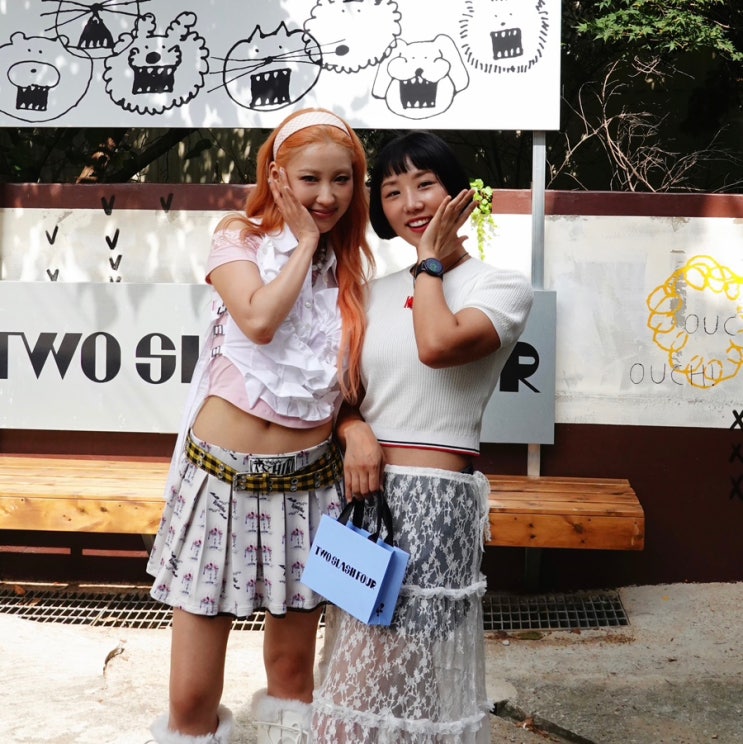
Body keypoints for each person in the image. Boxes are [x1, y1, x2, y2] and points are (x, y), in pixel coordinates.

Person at [146, 108, 374, 744]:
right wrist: (304, 244)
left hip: (310, 487)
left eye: (342, 179)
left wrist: (354, 425)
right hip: (220, 481)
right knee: (191, 702)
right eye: (310, 179)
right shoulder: (237, 238)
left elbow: (346, 384)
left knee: (294, 682)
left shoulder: (351, 268)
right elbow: (259, 320)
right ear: (277, 177)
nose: (326, 196)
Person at [312, 131, 534, 742]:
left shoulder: (501, 286)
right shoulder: (367, 293)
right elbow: (338, 398)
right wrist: (356, 431)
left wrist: (429, 262)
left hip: (435, 501)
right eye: (392, 191)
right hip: (363, 498)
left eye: (425, 184)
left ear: (458, 195)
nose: (410, 202)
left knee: (392, 671)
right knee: (358, 668)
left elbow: (437, 344)